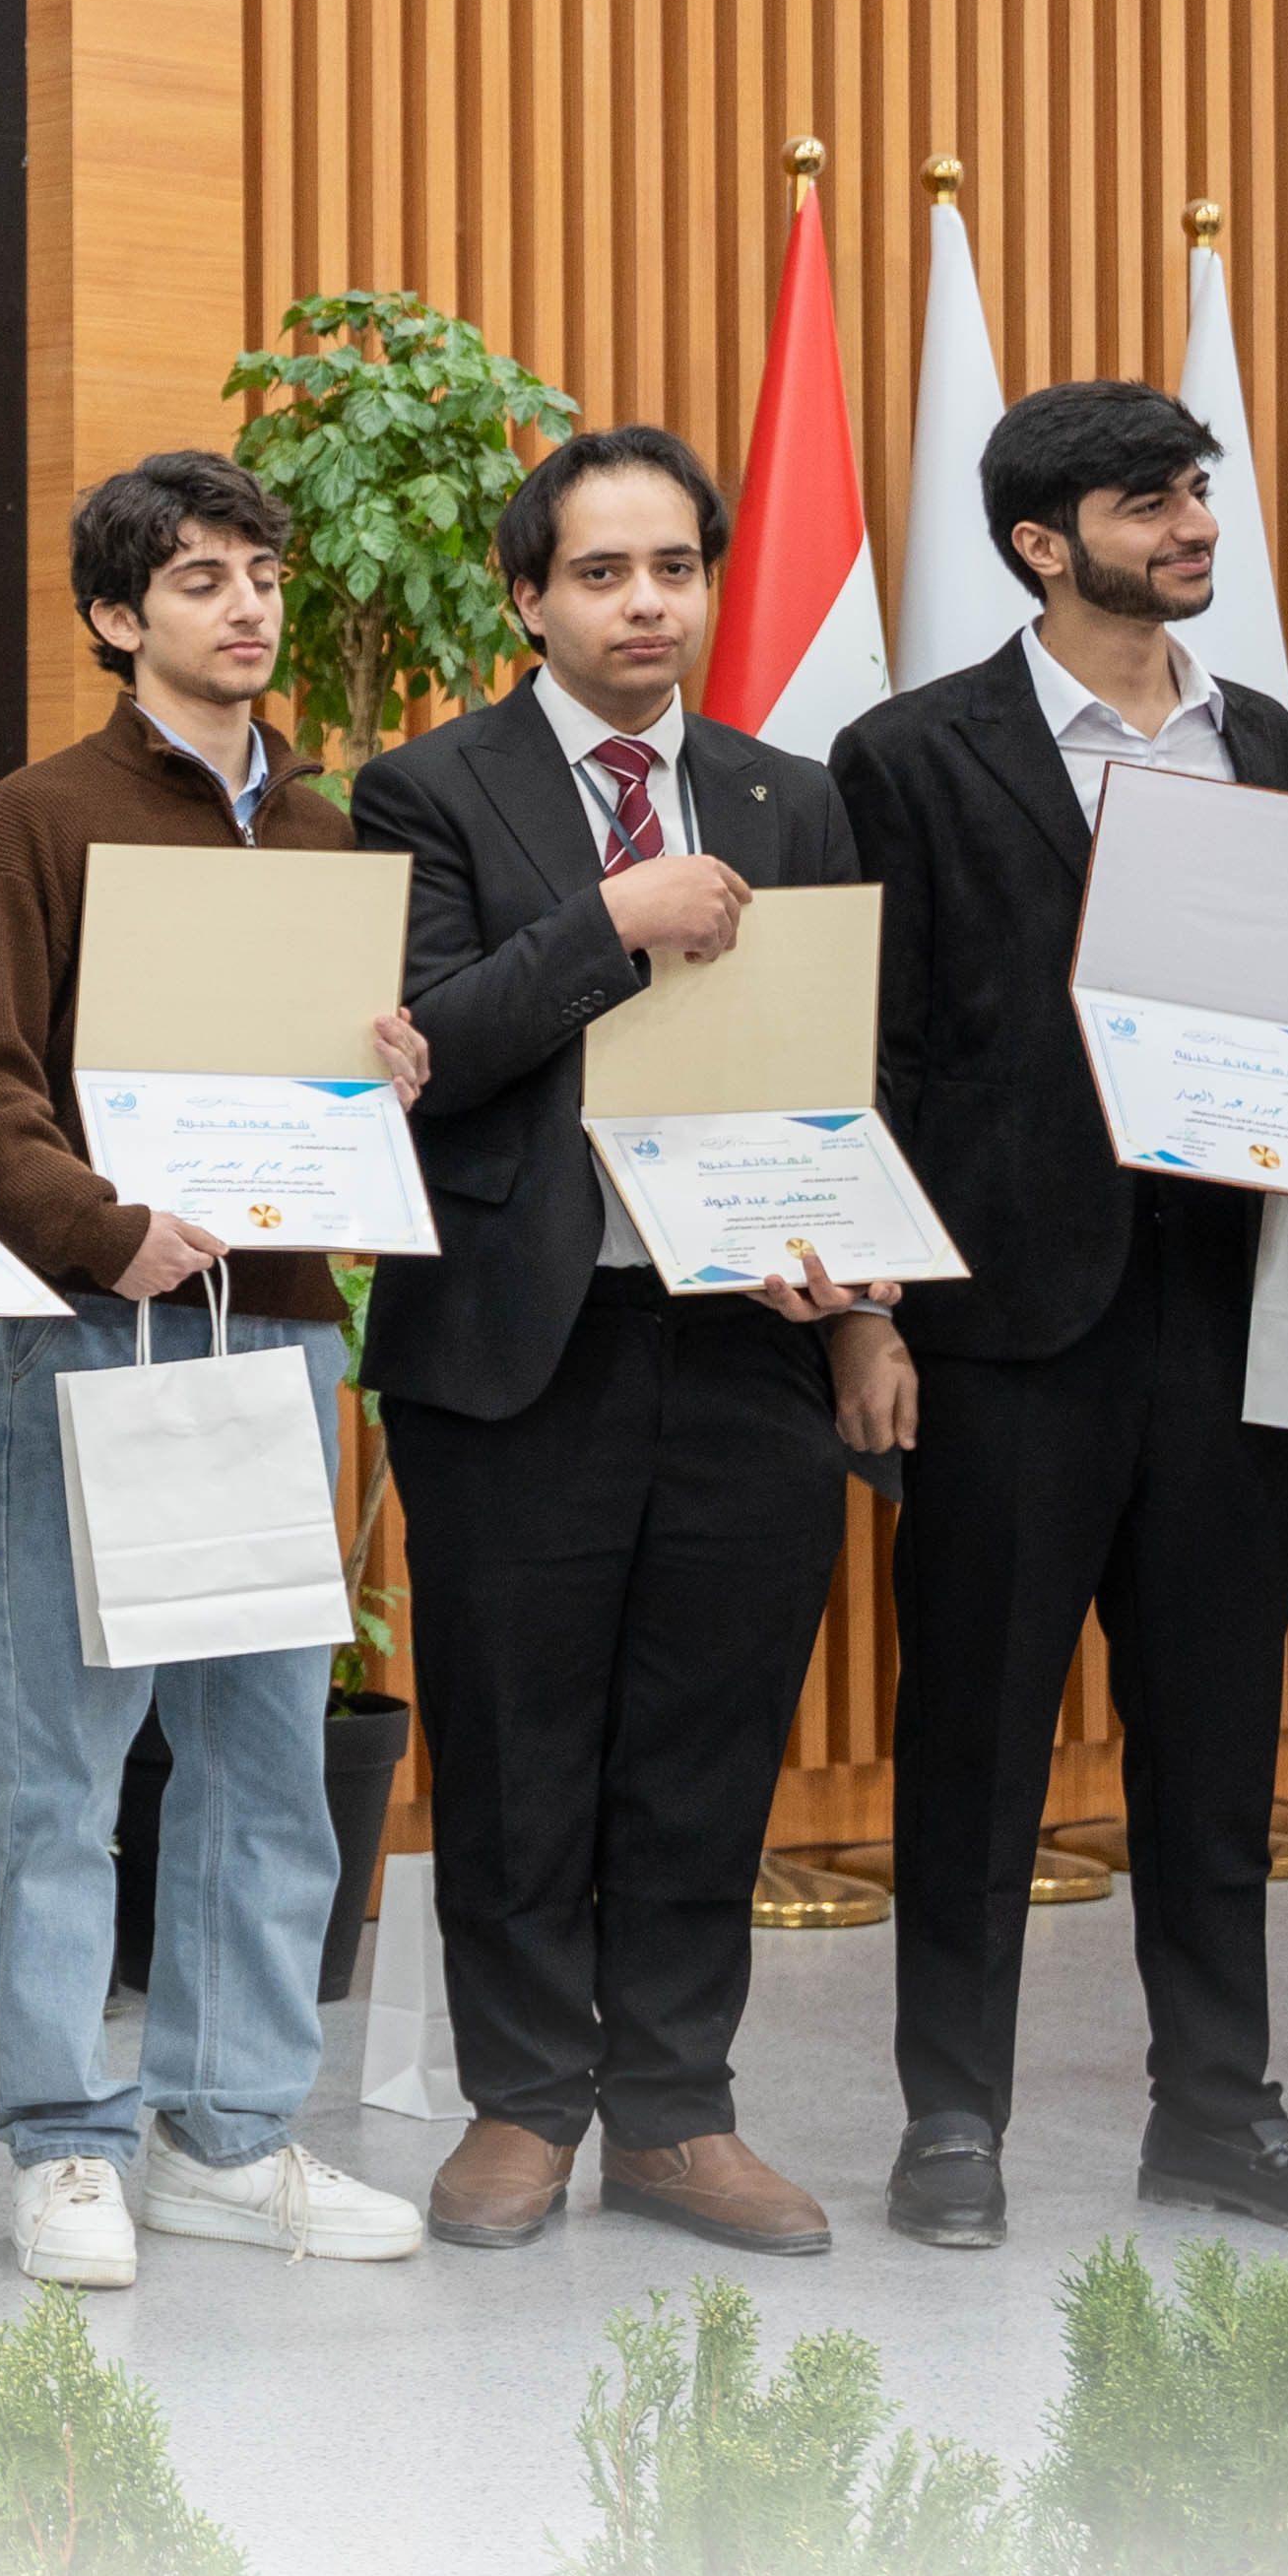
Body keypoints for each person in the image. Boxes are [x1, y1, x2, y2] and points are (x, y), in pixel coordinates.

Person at [834, 378, 1288, 2251]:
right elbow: (870, 1050)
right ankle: (952, 2118)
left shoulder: (1274, 743)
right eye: (1147, 500)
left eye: (1196, 489)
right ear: (1040, 543)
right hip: (1004, 1325)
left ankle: (1218, 2110)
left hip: (1233, 1313)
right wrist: (864, 1313)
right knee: (975, 1740)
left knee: (1214, 1743)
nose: (1192, 524)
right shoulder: (906, 752)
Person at [350, 425, 873, 2258]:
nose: (643, 603)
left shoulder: (789, 795)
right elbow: (418, 1052)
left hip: (742, 1338)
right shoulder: (423, 787)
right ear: (525, 597)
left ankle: (672, 2112)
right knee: (513, 1742)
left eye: (672, 568)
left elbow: (838, 1063)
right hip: (517, 1341)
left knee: (703, 1742)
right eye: (598, 572)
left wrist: (856, 1297)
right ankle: (519, 2102)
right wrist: (609, 923)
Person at [0, 452, 433, 2289]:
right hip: (96, 1325)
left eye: (261, 575)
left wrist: (383, 1079)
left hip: (280, 1326)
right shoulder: (38, 815)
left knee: (262, 1757)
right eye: (200, 577)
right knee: (64, 1766)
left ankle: (227, 2135)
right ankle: (63, 2143)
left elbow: (326, 1078)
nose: (246, 606)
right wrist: (101, 1226)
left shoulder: (325, 832)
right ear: (113, 615)